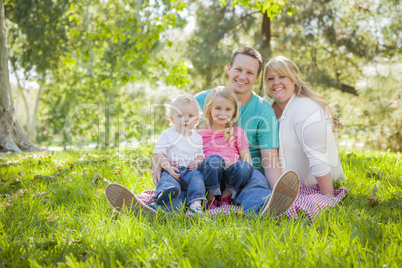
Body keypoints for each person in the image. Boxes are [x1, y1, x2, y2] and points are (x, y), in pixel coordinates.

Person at [158, 47, 300, 216]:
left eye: (249, 72)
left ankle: (265, 207)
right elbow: (176, 134)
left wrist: (278, 190)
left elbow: (270, 160)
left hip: (240, 174)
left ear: (257, 77)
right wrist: (160, 166)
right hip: (205, 169)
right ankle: (168, 209)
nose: (242, 76)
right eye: (238, 69)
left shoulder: (263, 111)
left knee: (256, 180)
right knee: (186, 178)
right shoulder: (202, 100)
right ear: (229, 69)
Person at [105, 93, 206, 215]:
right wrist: (168, 167)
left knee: (198, 178)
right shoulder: (168, 134)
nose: (185, 119)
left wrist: (197, 162)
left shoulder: (197, 138)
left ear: (196, 120)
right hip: (172, 170)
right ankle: (164, 194)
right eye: (180, 115)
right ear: (172, 119)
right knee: (169, 185)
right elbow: (158, 154)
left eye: (190, 116)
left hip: (189, 172)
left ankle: (195, 205)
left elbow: (200, 156)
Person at [263, 55, 346, 197]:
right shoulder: (266, 105)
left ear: (294, 79)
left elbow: (318, 157)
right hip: (274, 181)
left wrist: (328, 197)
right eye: (270, 78)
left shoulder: (306, 109)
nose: (276, 82)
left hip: (307, 183)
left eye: (282, 76)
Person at [197, 86, 253, 210]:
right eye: (218, 108)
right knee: (214, 161)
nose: (223, 114)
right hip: (209, 175)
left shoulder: (238, 132)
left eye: (228, 109)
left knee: (244, 167)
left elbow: (248, 161)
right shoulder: (200, 134)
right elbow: (195, 158)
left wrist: (231, 164)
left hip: (231, 178)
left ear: (234, 111)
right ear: (210, 109)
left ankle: (225, 197)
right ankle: (211, 199)